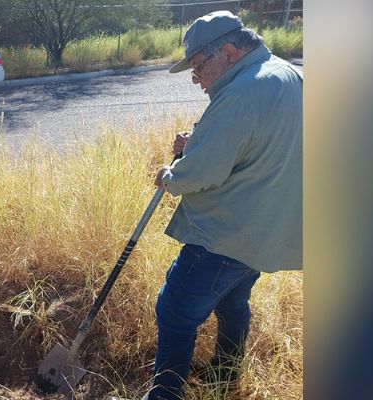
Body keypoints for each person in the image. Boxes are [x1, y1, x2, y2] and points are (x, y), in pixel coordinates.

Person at [147, 11, 302, 400]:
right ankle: (226, 374)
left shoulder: (243, 91)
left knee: (175, 312)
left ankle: (164, 396)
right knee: (233, 300)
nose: (195, 77)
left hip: (225, 235)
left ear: (230, 52)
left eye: (198, 66)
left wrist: (171, 172)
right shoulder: (288, 74)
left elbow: (197, 175)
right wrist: (199, 141)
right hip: (267, 229)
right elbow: (260, 144)